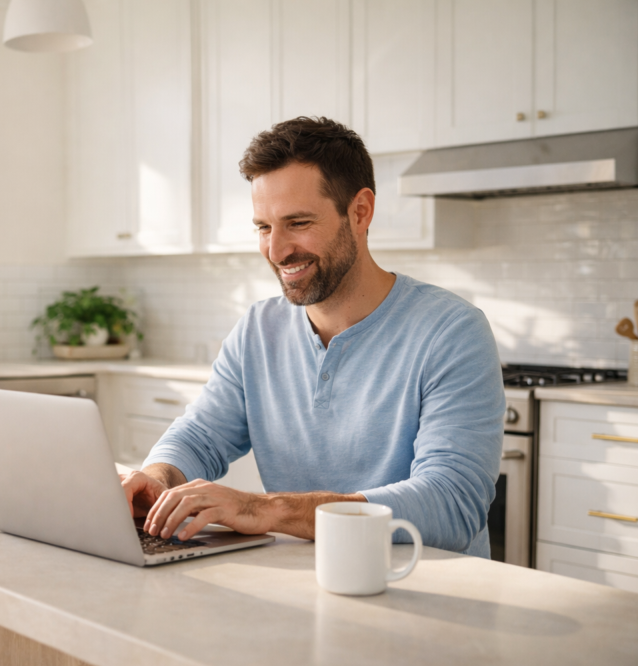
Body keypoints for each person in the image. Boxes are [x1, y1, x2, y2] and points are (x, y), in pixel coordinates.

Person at [120, 116, 504, 558]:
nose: (277, 250)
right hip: (308, 585)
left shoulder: (452, 332)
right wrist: (158, 477)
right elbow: (200, 436)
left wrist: (269, 509)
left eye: (298, 223)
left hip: (426, 592)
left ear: (360, 212)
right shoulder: (258, 330)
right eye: (263, 227)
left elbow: (452, 507)